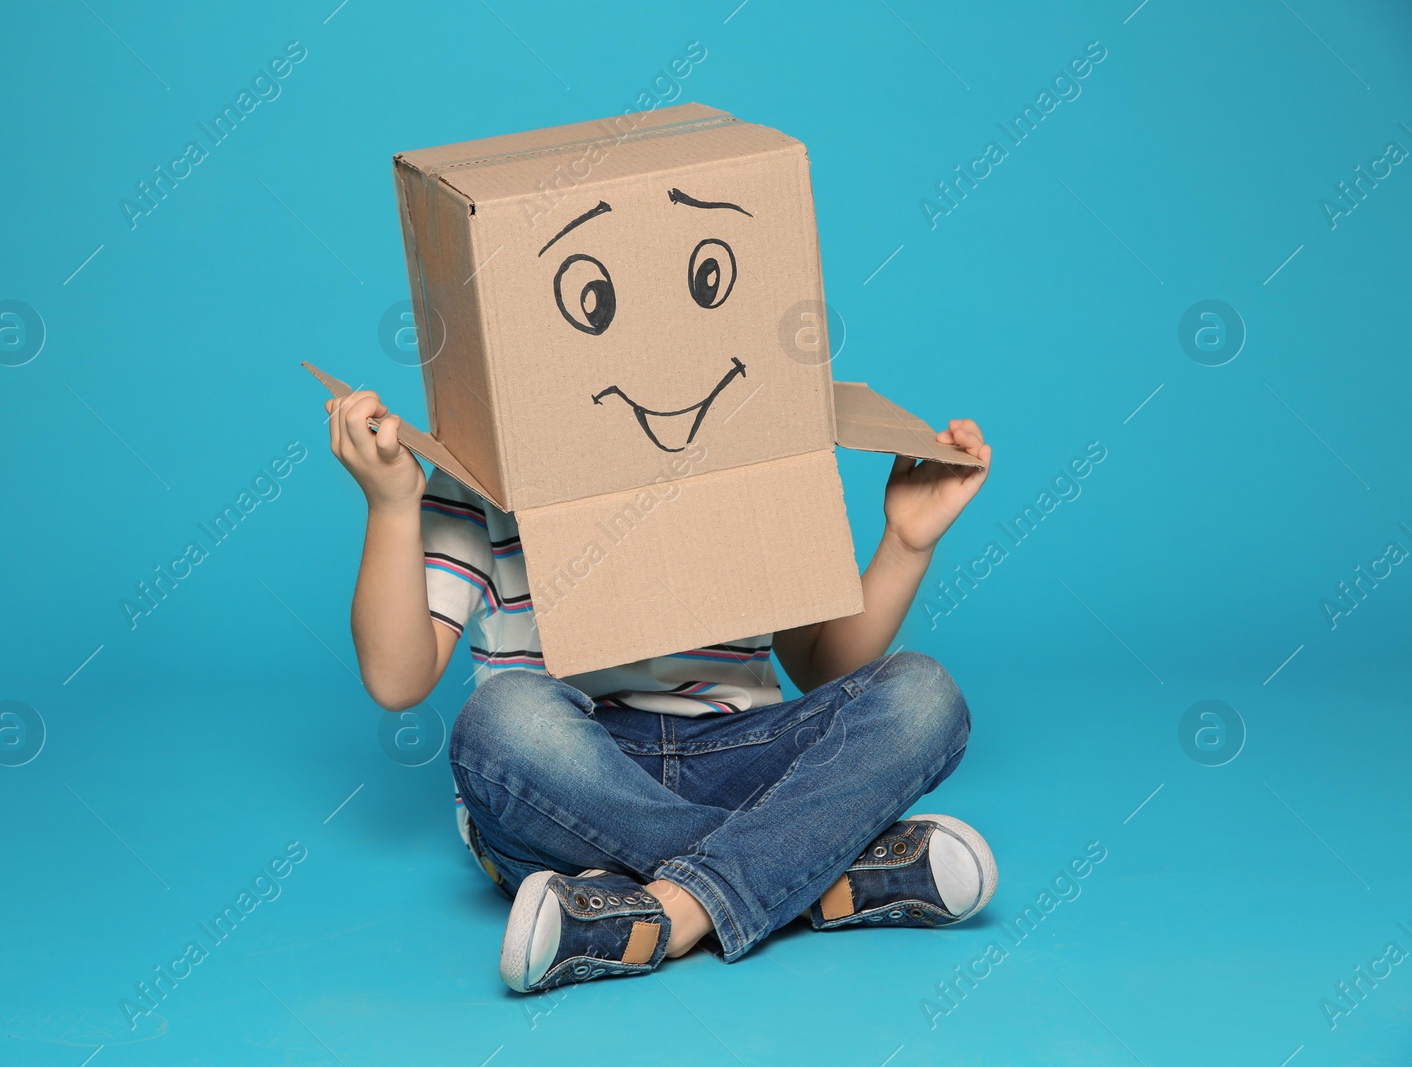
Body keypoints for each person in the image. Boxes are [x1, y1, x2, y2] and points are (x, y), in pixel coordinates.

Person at [327, 388, 995, 993]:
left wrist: (905, 544)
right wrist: (390, 504)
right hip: (575, 781)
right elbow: (397, 678)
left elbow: (823, 665)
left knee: (923, 693)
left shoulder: (752, 454)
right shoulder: (482, 468)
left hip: (742, 757)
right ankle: (814, 868)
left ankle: (662, 909)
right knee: (503, 722)